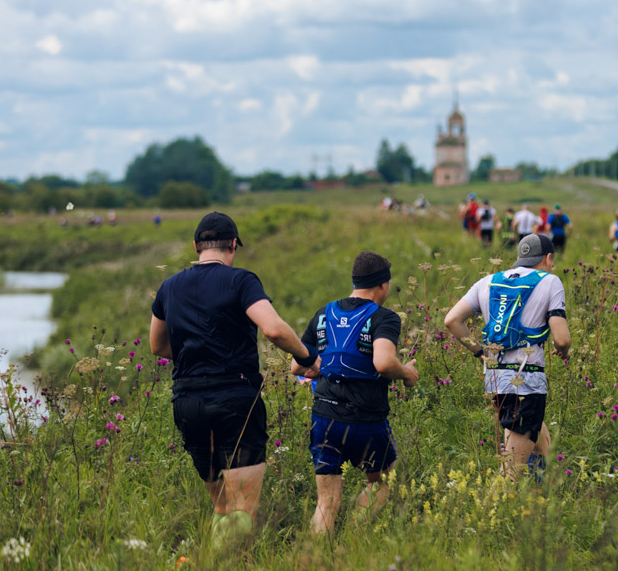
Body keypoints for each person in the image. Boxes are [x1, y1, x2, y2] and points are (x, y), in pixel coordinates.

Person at [150, 212, 318, 550]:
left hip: (187, 403)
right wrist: (307, 357)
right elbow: (273, 329)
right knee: (242, 507)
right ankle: (230, 569)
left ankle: (212, 567)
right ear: (233, 246)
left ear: (196, 247)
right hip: (234, 401)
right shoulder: (241, 281)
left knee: (222, 505)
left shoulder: (169, 286)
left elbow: (157, 346)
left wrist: (196, 356)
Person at [291, 252, 418, 534]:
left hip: (324, 417)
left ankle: (314, 554)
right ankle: (353, 537)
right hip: (366, 419)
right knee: (382, 482)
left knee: (326, 501)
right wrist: (407, 372)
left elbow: (296, 367)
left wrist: (326, 368)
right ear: (383, 284)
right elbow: (383, 363)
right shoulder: (383, 317)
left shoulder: (323, 314)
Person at [444, 234, 571, 479]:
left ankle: (543, 491)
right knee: (512, 473)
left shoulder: (488, 281)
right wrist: (564, 351)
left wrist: (480, 353)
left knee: (539, 443)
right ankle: (505, 496)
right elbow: (562, 339)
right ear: (548, 258)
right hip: (526, 381)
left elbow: (452, 320)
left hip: (495, 380)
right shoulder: (550, 281)